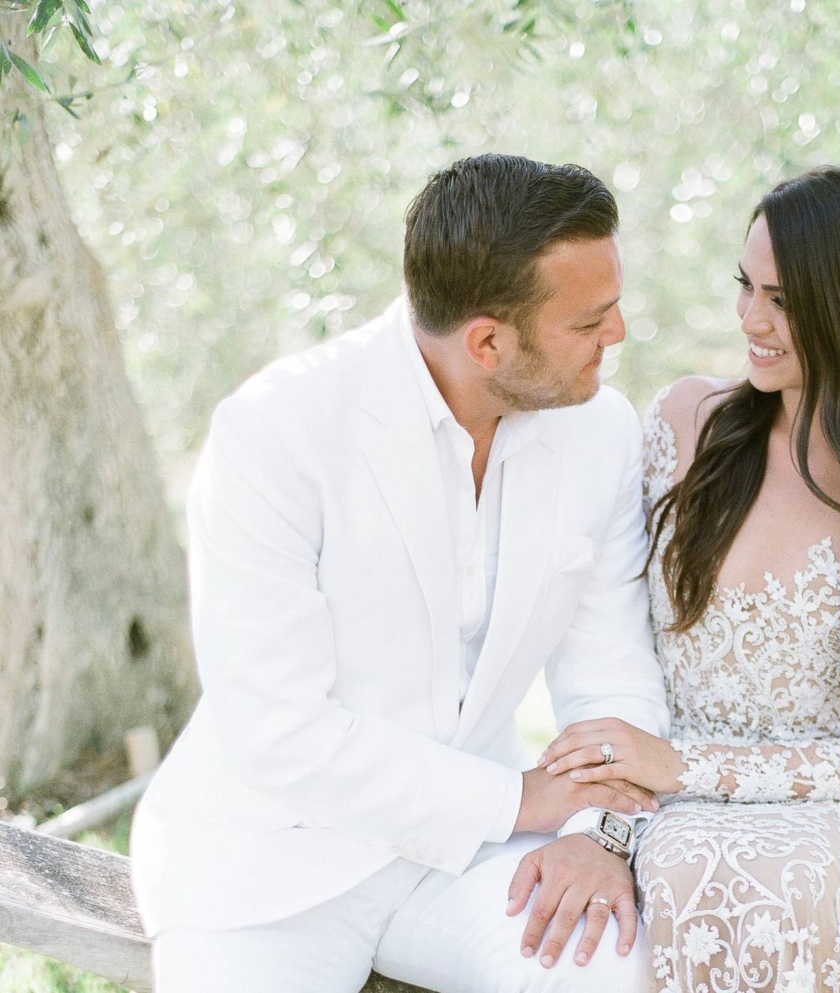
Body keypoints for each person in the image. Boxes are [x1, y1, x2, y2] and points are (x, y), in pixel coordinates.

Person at [130, 153, 671, 993]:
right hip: (269, 864)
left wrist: (597, 831)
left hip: (472, 862)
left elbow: (613, 667)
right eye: (590, 320)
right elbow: (280, 733)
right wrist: (520, 801)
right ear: (488, 340)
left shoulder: (599, 431)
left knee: (616, 972)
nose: (620, 334)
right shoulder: (274, 432)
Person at [538, 166, 840, 993]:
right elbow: (613, 638)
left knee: (783, 882)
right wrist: (622, 801)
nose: (751, 319)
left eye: (782, 300)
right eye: (746, 286)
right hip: (675, 806)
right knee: (691, 869)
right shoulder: (684, 424)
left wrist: (680, 764)